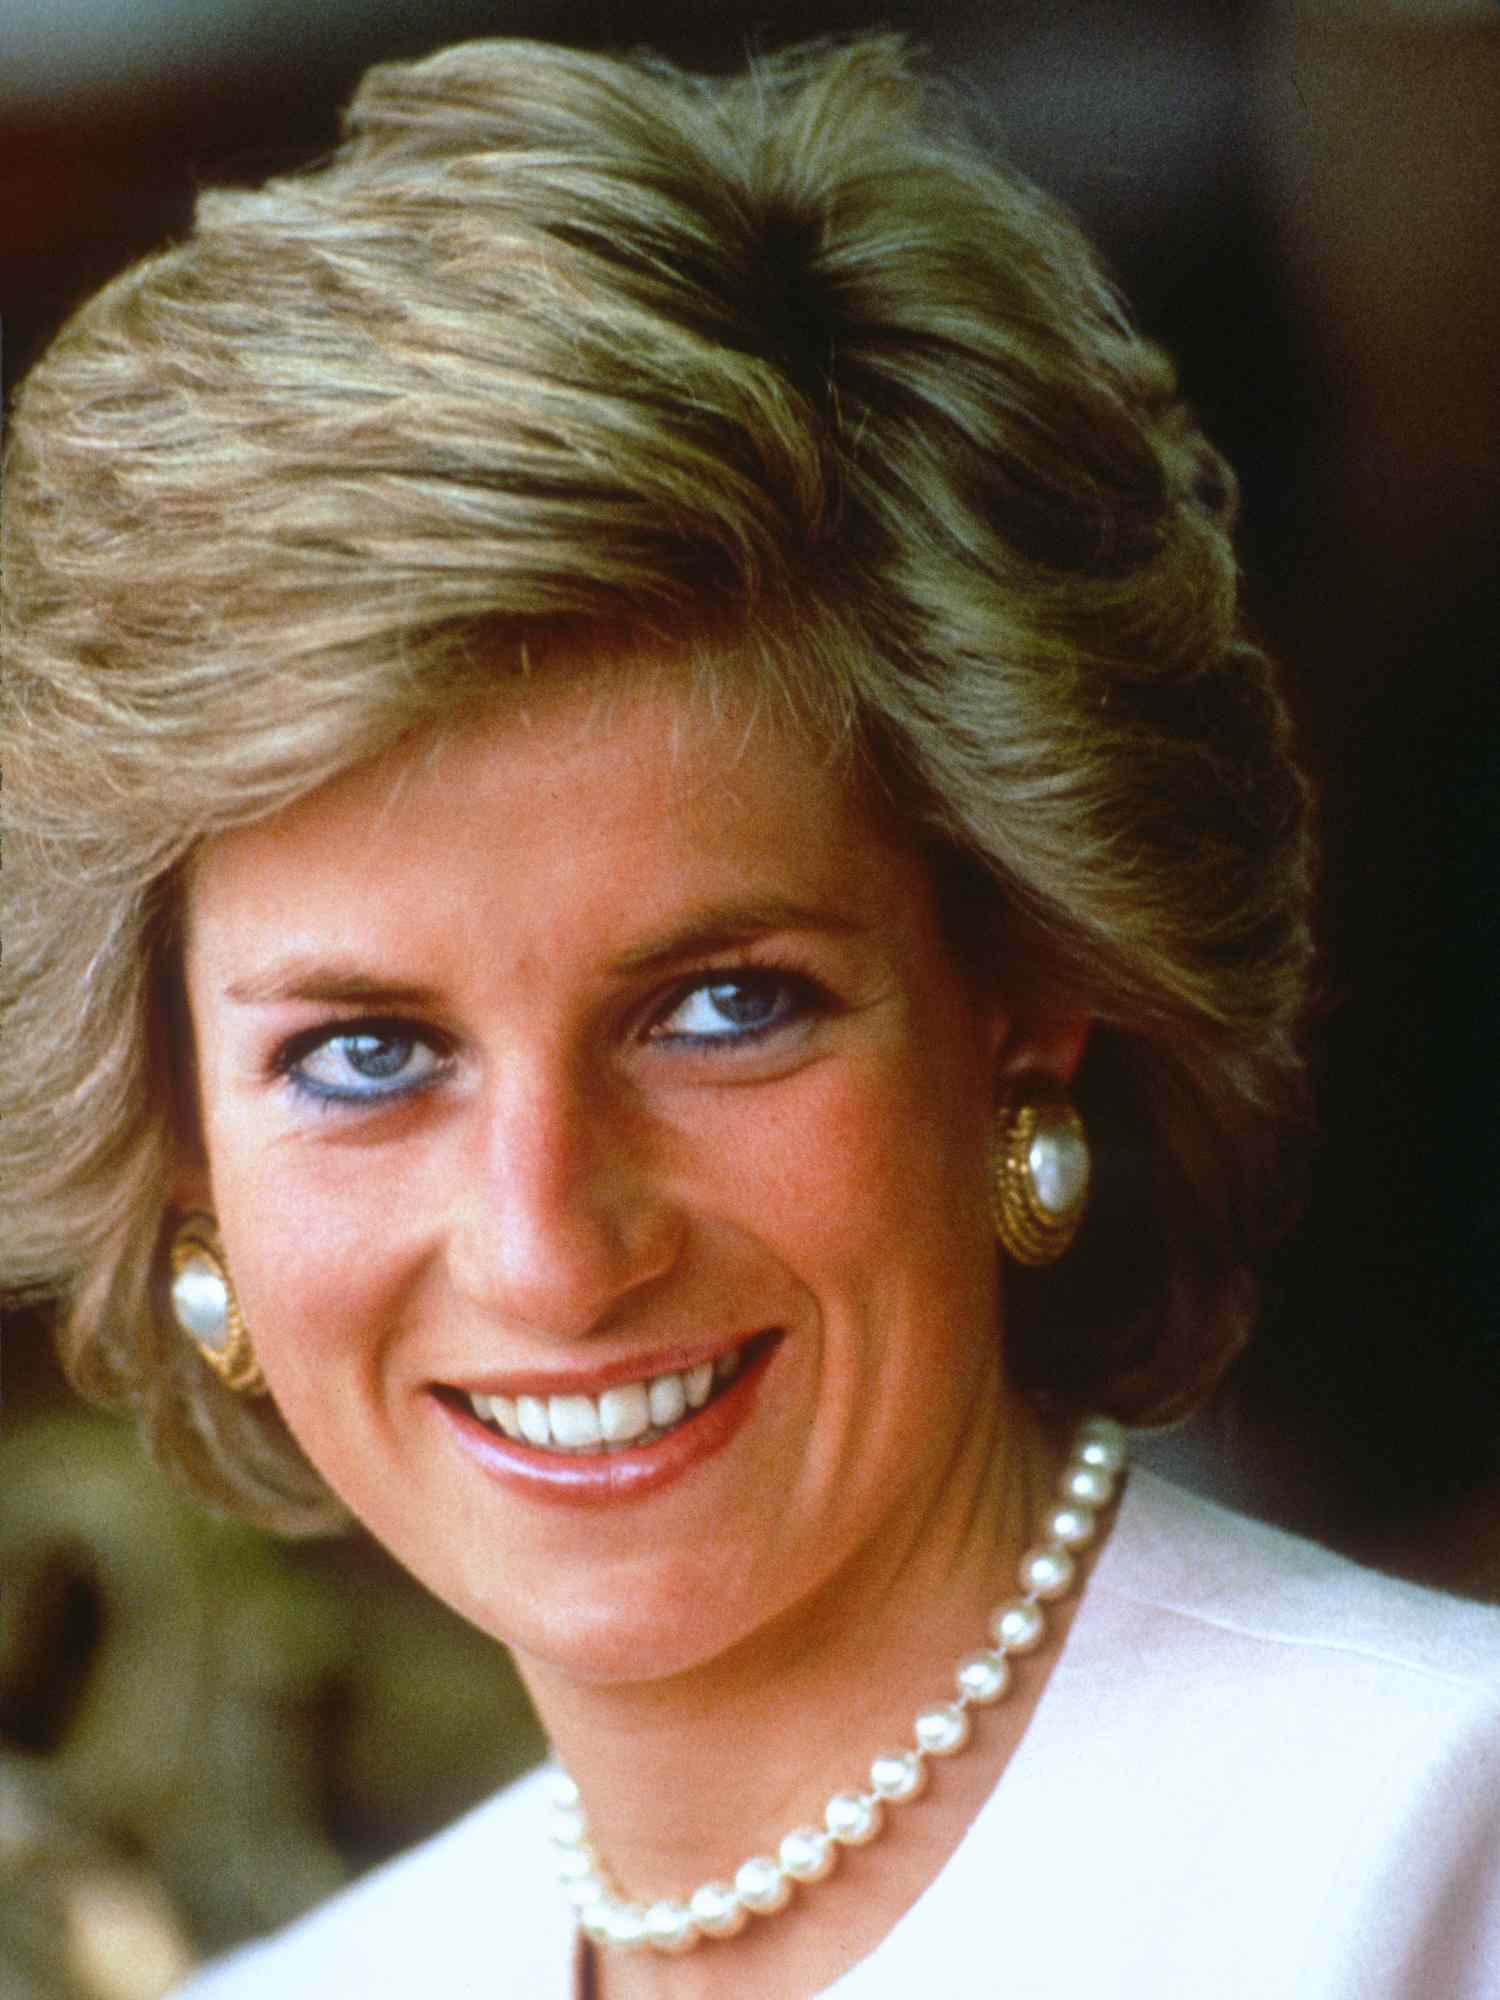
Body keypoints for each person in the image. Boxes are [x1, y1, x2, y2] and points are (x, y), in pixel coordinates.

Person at [2, 34, 1496, 2000]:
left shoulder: (1427, 1851)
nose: (547, 1244)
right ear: (186, 1146)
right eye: (365, 1054)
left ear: (1021, 1009)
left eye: (722, 1007)